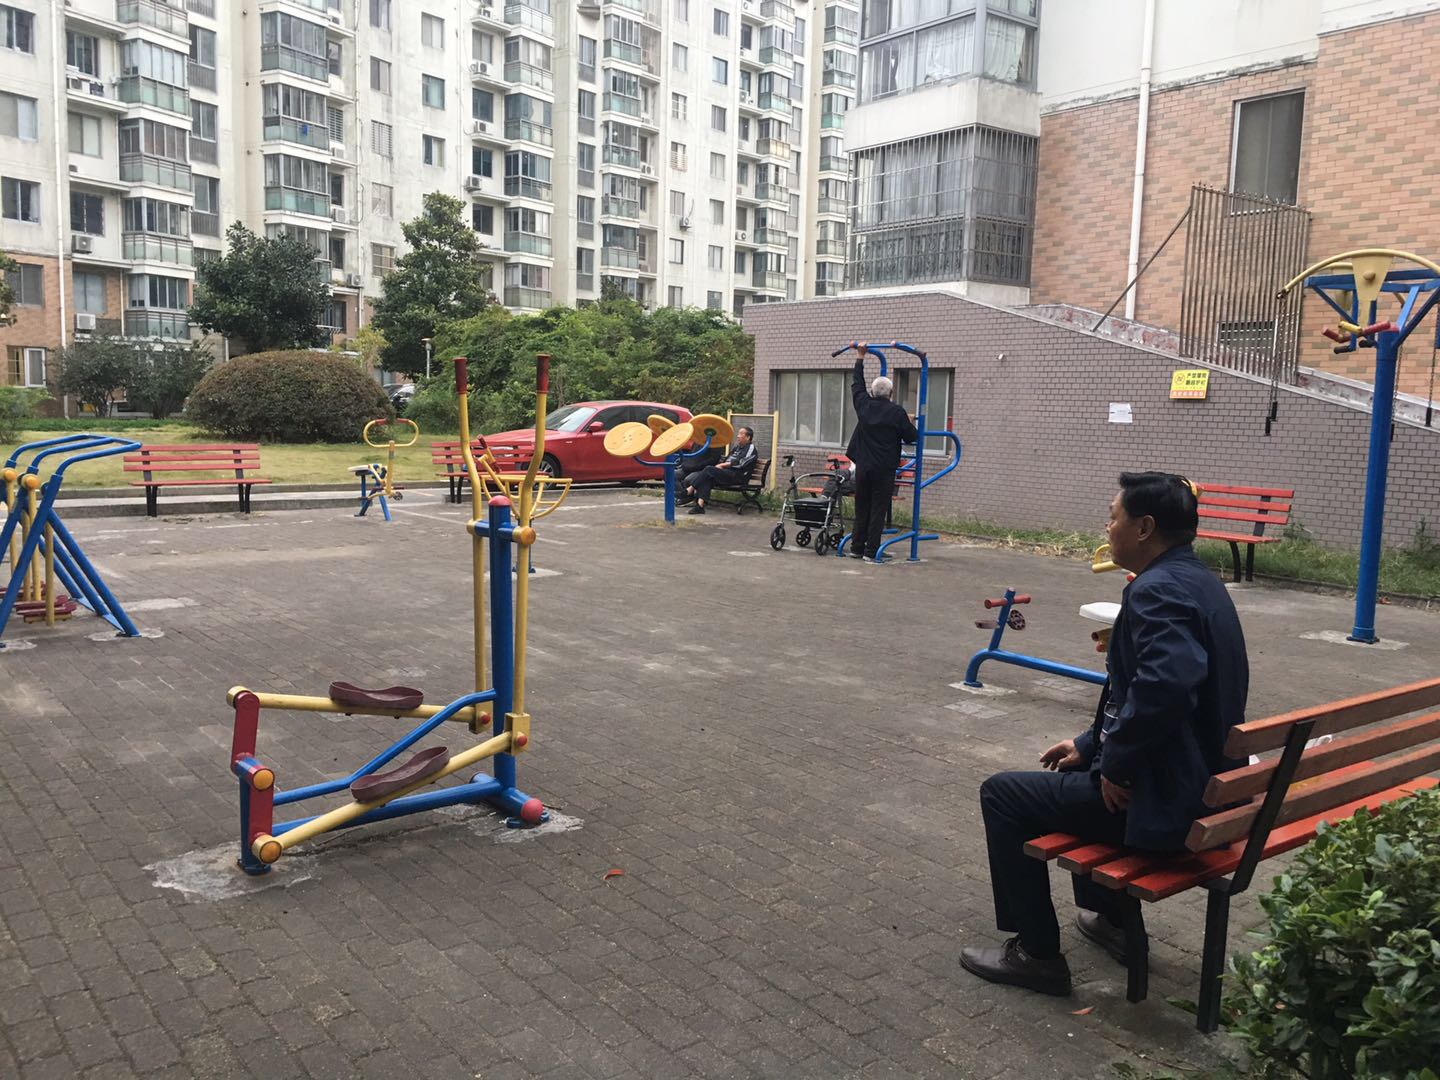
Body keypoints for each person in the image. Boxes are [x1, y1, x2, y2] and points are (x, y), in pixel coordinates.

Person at [959, 472, 1249, 996]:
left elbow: (1168, 685)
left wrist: (1116, 764)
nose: (1107, 527)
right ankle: (1112, 920)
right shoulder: (1200, 582)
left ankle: (1036, 955)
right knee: (1077, 776)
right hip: (1210, 793)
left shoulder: (1156, 590)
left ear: (1144, 528)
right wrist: (1090, 744)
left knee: (1002, 795)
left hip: (1169, 807)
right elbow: (1143, 693)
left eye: (1113, 518)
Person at [844, 349, 918, 562]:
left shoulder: (864, 405)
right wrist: (909, 422)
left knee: (862, 506)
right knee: (878, 509)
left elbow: (857, 385)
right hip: (884, 469)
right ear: (891, 393)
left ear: (873, 392)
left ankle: (857, 548)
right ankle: (871, 551)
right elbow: (911, 437)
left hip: (863, 466)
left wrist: (860, 357)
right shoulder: (896, 412)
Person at [681, 426, 756, 514]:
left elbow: (742, 462)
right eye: (738, 433)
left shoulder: (750, 448)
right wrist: (720, 464)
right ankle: (700, 506)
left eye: (741, 434)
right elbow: (727, 459)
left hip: (738, 476)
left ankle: (690, 489)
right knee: (707, 477)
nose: (738, 436)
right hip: (727, 473)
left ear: (748, 437)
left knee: (709, 469)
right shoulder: (737, 448)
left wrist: (722, 465)